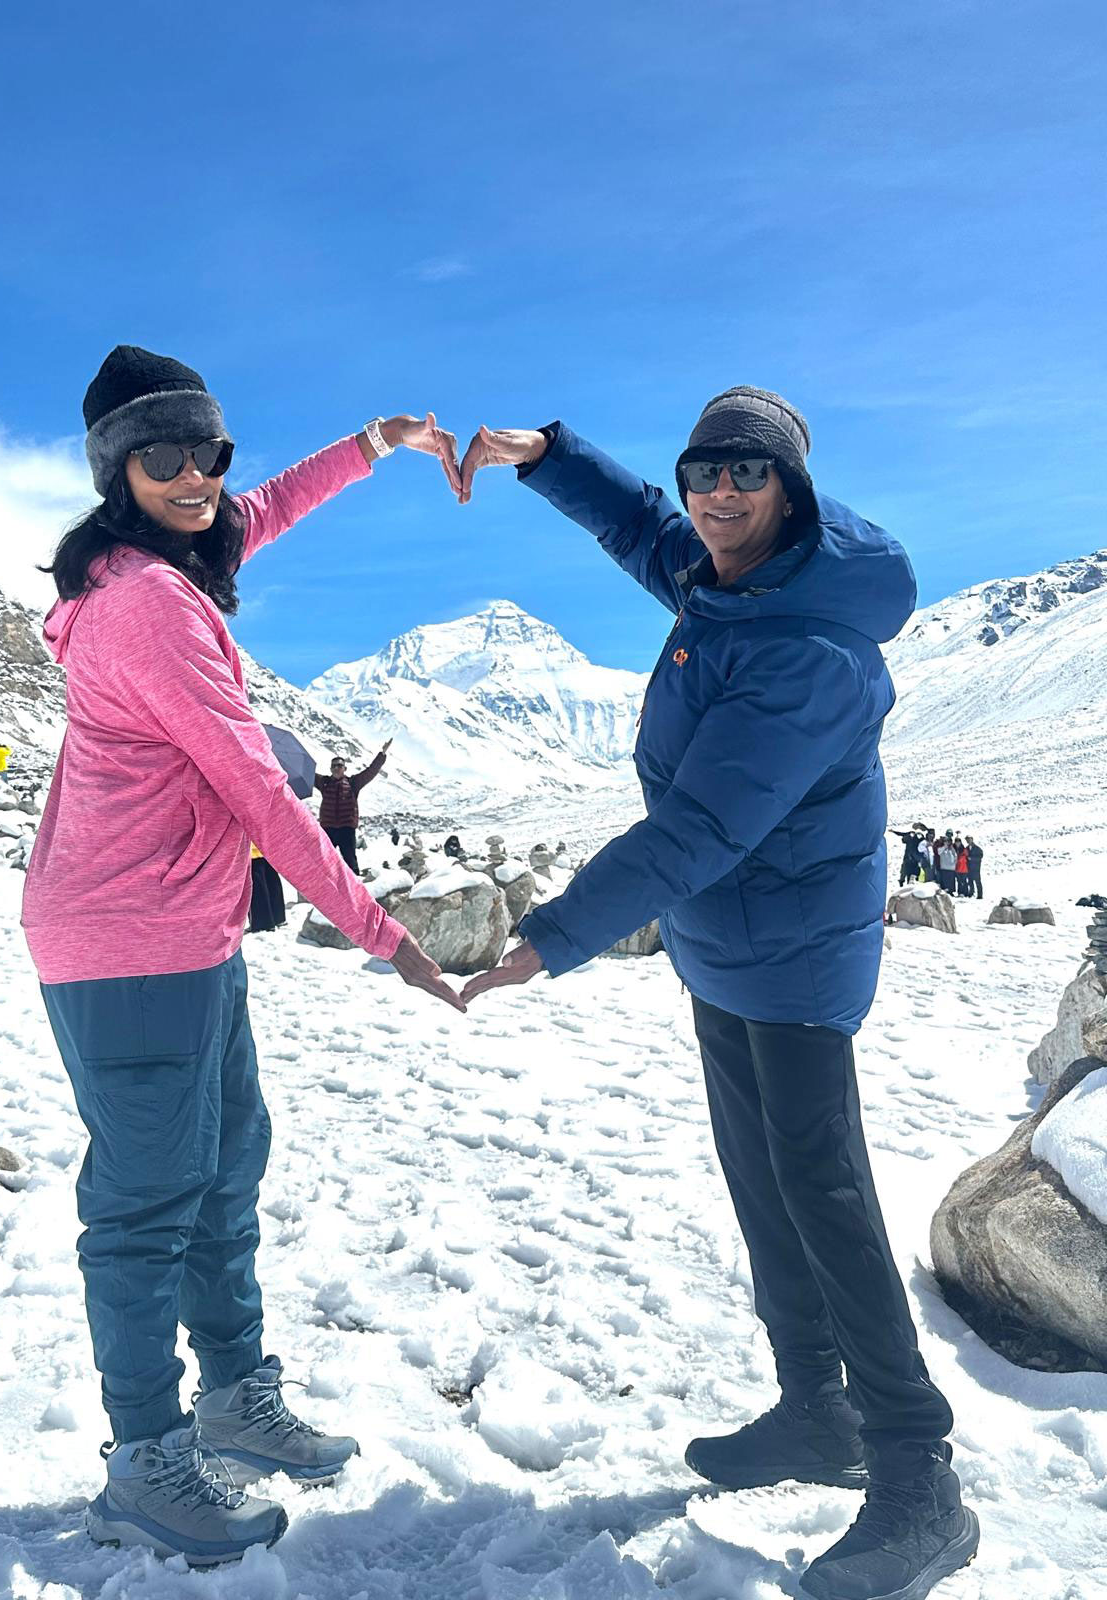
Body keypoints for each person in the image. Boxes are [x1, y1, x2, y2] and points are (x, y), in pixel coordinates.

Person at [456, 388, 977, 1600]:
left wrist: (552, 936)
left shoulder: (809, 644)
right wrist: (552, 457)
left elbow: (699, 827)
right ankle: (816, 1408)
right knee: (763, 1182)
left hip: (793, 953)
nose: (715, 493)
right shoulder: (727, 579)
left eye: (745, 473)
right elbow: (643, 528)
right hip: (725, 949)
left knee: (827, 1196)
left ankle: (918, 1473)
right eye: (704, 470)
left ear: (790, 487)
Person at [23, 345, 466, 1566]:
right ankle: (143, 1455)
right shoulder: (149, 608)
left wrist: (375, 444)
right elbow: (268, 802)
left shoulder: (183, 552)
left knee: (224, 1167)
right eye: (164, 456)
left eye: (209, 450)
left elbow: (259, 511)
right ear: (117, 471)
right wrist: (388, 938)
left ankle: (233, 1396)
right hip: (124, 942)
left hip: (193, 928)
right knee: (146, 1199)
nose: (198, 475)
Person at [314, 741, 391, 873]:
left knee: (350, 862)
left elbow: (370, 771)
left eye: (340, 765)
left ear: (345, 769)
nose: (337, 768)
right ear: (331, 769)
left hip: (346, 829)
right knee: (323, 861)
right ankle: (323, 889)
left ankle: (355, 888)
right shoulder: (324, 782)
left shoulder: (353, 783)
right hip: (328, 829)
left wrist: (382, 754)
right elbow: (307, 772)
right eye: (334, 766)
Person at [247, 843, 286, 933]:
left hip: (251, 849)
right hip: (267, 846)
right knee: (271, 880)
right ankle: (278, 918)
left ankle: (262, 924)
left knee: (256, 886)